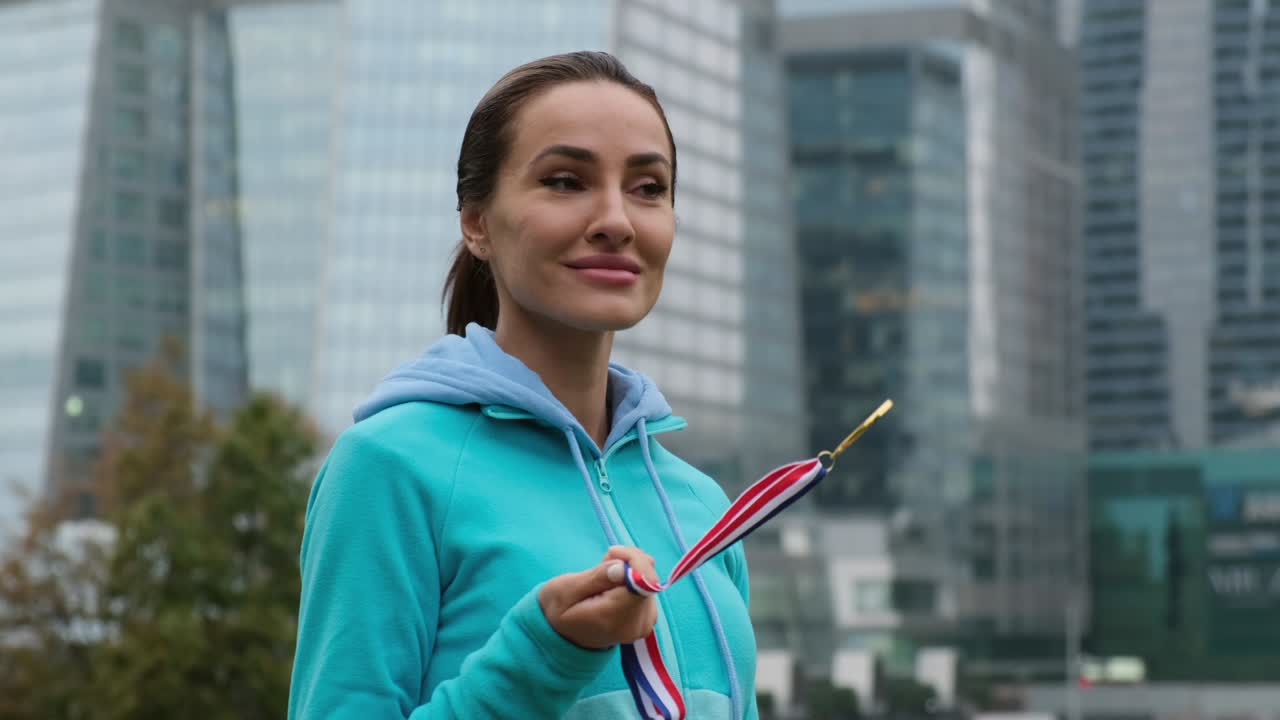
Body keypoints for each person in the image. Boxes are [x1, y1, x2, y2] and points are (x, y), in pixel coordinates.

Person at [288, 51, 758, 720]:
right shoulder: (388, 467)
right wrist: (544, 656)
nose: (617, 220)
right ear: (476, 222)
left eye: (648, 187)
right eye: (566, 181)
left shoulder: (703, 504)